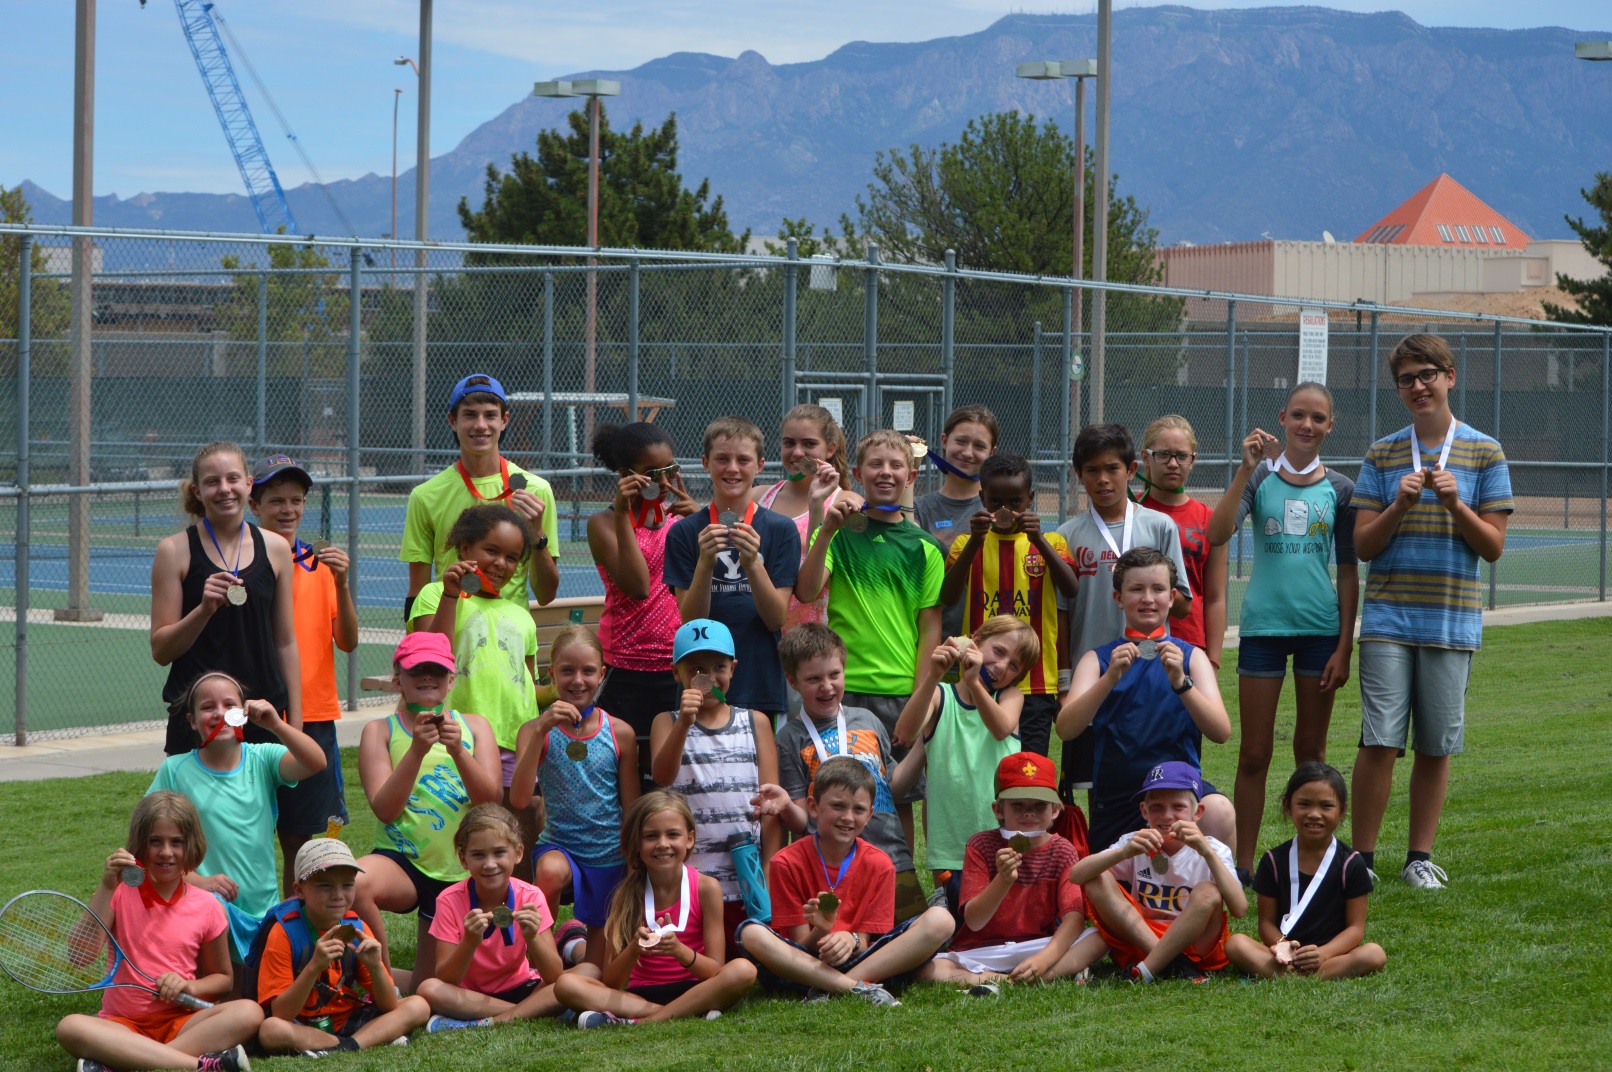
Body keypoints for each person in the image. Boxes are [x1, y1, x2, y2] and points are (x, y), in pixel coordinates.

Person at [1350, 334, 1512, 890]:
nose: (1418, 386)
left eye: (1427, 375)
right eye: (1406, 379)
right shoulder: (1382, 453)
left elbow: (1492, 547)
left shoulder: (1485, 451)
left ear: (1449, 376)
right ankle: (1361, 861)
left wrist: (1455, 504)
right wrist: (1398, 504)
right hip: (1388, 619)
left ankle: (1419, 857)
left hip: (1450, 620)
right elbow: (1363, 546)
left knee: (1435, 743)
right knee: (1380, 740)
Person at [1205, 385, 1359, 884]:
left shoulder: (1340, 488)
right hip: (1264, 629)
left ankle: (1307, 864)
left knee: (1311, 754)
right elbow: (1218, 532)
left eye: (1317, 417)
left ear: (1329, 425)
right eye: (1298, 415)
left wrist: (1344, 645)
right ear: (1283, 418)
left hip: (1319, 630)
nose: (1307, 425)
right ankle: (1245, 865)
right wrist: (1245, 467)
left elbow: (1349, 571)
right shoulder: (1260, 478)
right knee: (1254, 754)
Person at [796, 428, 945, 851]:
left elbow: (929, 630)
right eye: (876, 465)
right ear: (858, 473)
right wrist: (824, 529)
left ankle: (896, 893)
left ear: (911, 475)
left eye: (896, 465)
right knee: (833, 798)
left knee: (896, 801)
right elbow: (806, 591)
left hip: (899, 694)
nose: (886, 472)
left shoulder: (924, 548)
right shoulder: (839, 534)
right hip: (843, 690)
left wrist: (919, 698)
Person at [55, 792, 262, 1072]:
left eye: (176, 842)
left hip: (184, 1024)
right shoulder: (118, 893)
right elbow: (80, 956)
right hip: (121, 1024)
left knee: (249, 1012)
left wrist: (188, 986)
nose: (166, 852)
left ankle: (127, 1060)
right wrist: (106, 886)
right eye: (155, 841)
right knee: (70, 1027)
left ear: (192, 846)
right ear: (140, 845)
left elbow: (223, 980)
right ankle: (201, 1066)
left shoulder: (207, 906)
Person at [1054, 548, 1234, 854]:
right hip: (1118, 799)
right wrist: (1109, 678)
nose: (1148, 598)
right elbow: (1066, 729)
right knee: (1107, 891)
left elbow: (1220, 732)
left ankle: (1219, 892)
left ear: (1172, 596)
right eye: (1136, 589)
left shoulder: (1191, 658)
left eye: (1158, 589)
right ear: (1118, 598)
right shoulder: (1097, 659)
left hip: (1178, 795)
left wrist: (1182, 683)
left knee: (1219, 810)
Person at [735, 758, 955, 1005]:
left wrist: (851, 940)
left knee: (941, 919)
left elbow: (865, 942)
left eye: (858, 809)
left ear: (870, 814)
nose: (848, 817)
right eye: (838, 806)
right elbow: (799, 948)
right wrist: (821, 929)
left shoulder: (880, 864)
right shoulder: (785, 862)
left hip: (861, 961)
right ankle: (855, 989)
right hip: (802, 966)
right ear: (813, 807)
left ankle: (832, 988)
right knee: (750, 932)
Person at [353, 632, 503, 990]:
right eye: (416, 669)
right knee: (354, 882)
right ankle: (381, 980)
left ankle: (381, 978)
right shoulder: (380, 731)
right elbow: (385, 810)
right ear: (397, 679)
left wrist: (458, 752)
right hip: (401, 861)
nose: (426, 677)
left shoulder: (475, 726)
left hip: (458, 868)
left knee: (429, 987)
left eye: (436, 671)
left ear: (451, 680)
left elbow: (490, 802)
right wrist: (416, 751)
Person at [147, 671, 327, 962]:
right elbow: (145, 841)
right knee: (226, 991)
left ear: (242, 714)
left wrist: (276, 725)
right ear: (192, 721)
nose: (220, 713)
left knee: (257, 999)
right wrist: (196, 882)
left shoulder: (264, 758)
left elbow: (315, 761)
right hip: (209, 907)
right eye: (207, 707)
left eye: (230, 705)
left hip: (264, 910)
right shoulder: (175, 770)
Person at [1055, 423, 1191, 799]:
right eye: (1092, 470)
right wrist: (1066, 682)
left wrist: (1143, 585)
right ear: (1078, 474)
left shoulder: (1159, 526)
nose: (1103, 479)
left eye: (1113, 468)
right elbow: (1061, 612)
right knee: (1096, 787)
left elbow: (1181, 604)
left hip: (1150, 675)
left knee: (1158, 784)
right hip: (1092, 677)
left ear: (1131, 470)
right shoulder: (1066, 535)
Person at [247, 453, 358, 895]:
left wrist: (344, 584)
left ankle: (298, 920)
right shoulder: (245, 562)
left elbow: (347, 641)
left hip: (312, 715)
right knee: (248, 830)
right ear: (254, 505)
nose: (288, 510)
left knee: (303, 835)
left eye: (296, 501)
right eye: (276, 500)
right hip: (258, 713)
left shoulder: (320, 566)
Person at [553, 792, 758, 1027]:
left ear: (689, 839)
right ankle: (676, 1013)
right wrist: (634, 948)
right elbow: (612, 980)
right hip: (641, 996)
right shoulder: (625, 895)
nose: (662, 844)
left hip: (697, 988)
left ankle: (639, 1022)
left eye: (673, 834)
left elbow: (715, 970)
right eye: (651, 836)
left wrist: (680, 951)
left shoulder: (706, 888)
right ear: (637, 844)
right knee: (566, 985)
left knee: (743, 970)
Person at [410, 503, 543, 863]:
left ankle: (519, 911)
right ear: (465, 548)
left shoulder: (520, 616)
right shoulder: (435, 595)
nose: (501, 564)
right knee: (470, 834)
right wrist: (452, 594)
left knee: (518, 836)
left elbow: (527, 683)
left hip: (517, 740)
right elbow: (428, 656)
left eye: (512, 557)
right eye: (492, 551)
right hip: (462, 738)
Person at [151, 441, 300, 758]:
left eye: (233, 479)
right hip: (198, 717)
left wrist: (295, 725)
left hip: (261, 714)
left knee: (262, 809)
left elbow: (285, 641)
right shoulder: (174, 551)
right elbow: (161, 650)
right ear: (197, 491)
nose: (224, 489)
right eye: (212, 481)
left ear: (248, 484)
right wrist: (203, 610)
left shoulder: (276, 548)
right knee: (191, 810)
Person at [766, 622, 922, 922]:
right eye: (813, 679)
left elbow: (893, 788)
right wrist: (786, 804)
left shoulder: (867, 719)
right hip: (831, 866)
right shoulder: (789, 739)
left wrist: (925, 746)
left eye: (834, 675)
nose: (827, 686)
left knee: (918, 937)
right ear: (792, 680)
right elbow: (802, 821)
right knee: (839, 940)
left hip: (889, 854)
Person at [509, 625, 639, 969]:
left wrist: (631, 856)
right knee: (548, 873)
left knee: (595, 970)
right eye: (567, 670)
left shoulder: (620, 733)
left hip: (608, 853)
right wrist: (540, 729)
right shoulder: (534, 731)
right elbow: (521, 799)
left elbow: (632, 806)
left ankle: (571, 944)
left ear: (602, 674)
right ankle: (540, 960)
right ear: (550, 674)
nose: (577, 680)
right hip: (560, 846)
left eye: (587, 671)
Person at [939, 451, 1078, 757]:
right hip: (978, 678)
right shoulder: (966, 543)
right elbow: (947, 597)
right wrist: (975, 541)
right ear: (982, 498)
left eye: (1014, 502)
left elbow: (1071, 588)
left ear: (1029, 498)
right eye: (995, 502)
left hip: (1037, 684)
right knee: (979, 765)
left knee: (1028, 768)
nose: (1005, 510)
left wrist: (1039, 539)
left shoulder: (1051, 542)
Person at [651, 619, 781, 944]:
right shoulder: (665, 722)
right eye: (695, 668)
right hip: (691, 884)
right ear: (676, 673)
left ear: (733, 669)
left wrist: (768, 867)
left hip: (746, 880)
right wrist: (684, 722)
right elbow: (663, 776)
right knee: (702, 960)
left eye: (718, 666)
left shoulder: (756, 722)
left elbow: (771, 803)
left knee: (750, 952)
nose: (707, 678)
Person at [926, 751, 1101, 991]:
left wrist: (1044, 959)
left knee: (1099, 937)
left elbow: (1074, 918)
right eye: (1017, 805)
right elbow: (975, 921)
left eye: (1039, 805)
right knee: (927, 968)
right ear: (998, 809)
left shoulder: (1062, 849)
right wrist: (1003, 879)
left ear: (1055, 810)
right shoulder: (981, 845)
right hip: (983, 950)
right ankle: (1003, 980)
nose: (1028, 813)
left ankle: (1043, 973)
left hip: (1038, 945)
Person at [890, 618, 1034, 906]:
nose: (1003, 666)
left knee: (1002, 924)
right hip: (950, 850)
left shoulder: (1010, 696)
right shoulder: (940, 696)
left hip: (1002, 846)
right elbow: (904, 735)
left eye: (1015, 666)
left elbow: (1001, 728)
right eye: (999, 651)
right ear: (976, 641)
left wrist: (973, 683)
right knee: (956, 922)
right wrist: (932, 676)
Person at [664, 416, 800, 718]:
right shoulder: (684, 532)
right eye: (722, 459)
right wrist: (705, 563)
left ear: (760, 465)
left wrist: (752, 562)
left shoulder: (780, 530)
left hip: (760, 680)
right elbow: (692, 618)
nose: (733, 468)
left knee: (761, 763)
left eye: (743, 459)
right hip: (701, 683)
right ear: (705, 462)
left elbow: (775, 618)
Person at [588, 422, 697, 789]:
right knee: (622, 774)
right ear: (626, 476)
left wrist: (699, 521)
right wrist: (622, 514)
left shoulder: (682, 519)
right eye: (653, 474)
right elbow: (637, 586)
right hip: (625, 668)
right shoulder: (603, 522)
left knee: (666, 774)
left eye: (670, 471)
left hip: (674, 667)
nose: (664, 483)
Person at [399, 373, 559, 621]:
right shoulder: (425, 496)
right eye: (470, 415)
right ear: (453, 420)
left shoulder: (536, 491)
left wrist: (537, 534)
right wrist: (416, 652)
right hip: (451, 643)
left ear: (504, 420)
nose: (480, 425)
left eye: (490, 415)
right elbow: (418, 592)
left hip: (510, 645)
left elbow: (546, 595)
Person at [1070, 762, 1246, 983]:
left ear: (1197, 812)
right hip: (1143, 940)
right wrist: (1123, 852)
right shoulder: (1135, 841)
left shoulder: (1212, 848)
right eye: (1157, 807)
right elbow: (1076, 876)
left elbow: (1240, 908)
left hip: (1195, 945)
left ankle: (1149, 969)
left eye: (1178, 807)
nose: (1167, 816)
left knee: (1208, 892)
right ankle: (1172, 966)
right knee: (1096, 877)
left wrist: (1207, 853)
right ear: (1144, 811)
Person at [251, 839, 429, 1056]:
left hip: (348, 1019)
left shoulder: (355, 927)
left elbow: (389, 1005)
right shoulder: (284, 933)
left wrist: (375, 967)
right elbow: (281, 1013)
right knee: (271, 1030)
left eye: (347, 885)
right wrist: (314, 967)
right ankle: (355, 1041)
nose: (338, 895)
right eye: (325, 886)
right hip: (301, 1024)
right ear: (299, 890)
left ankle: (347, 1046)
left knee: (419, 1005)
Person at [1225, 763, 1387, 980]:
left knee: (1374, 954)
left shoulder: (1351, 863)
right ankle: (1296, 972)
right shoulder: (1273, 861)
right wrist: (1282, 948)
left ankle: (1292, 975)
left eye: (1326, 806)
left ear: (1342, 811)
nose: (1314, 814)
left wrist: (1323, 953)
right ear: (1288, 806)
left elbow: (1356, 928)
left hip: (1331, 956)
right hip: (1283, 955)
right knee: (1236, 944)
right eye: (1304, 804)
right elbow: (1266, 923)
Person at [415, 805, 567, 1029]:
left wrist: (533, 937)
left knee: (571, 981)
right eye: (478, 855)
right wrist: (469, 942)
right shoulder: (449, 900)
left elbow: (554, 974)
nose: (489, 864)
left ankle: (485, 1021)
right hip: (469, 995)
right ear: (463, 859)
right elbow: (447, 979)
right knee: (428, 988)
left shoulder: (531, 896)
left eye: (499, 852)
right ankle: (532, 1010)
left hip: (522, 987)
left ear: (518, 853)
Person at [750, 402, 863, 632]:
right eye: (789, 443)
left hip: (813, 641)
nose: (797, 452)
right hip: (761, 632)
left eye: (809, 443)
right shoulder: (759, 496)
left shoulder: (846, 502)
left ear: (830, 449)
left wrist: (816, 505)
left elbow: (817, 584)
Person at [1137, 416, 1227, 671]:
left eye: (1181, 456)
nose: (1173, 464)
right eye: (1163, 455)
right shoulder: (1130, 512)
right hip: (1135, 640)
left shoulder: (1209, 520)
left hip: (1190, 644)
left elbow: (1215, 598)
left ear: (1193, 459)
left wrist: (1213, 661)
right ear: (1145, 457)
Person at [914, 404, 999, 641]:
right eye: (960, 441)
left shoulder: (1002, 509)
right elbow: (911, 558)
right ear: (944, 440)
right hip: (935, 645)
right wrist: (910, 464)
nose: (968, 452)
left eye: (979, 446)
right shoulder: (920, 508)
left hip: (992, 649)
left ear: (992, 452)